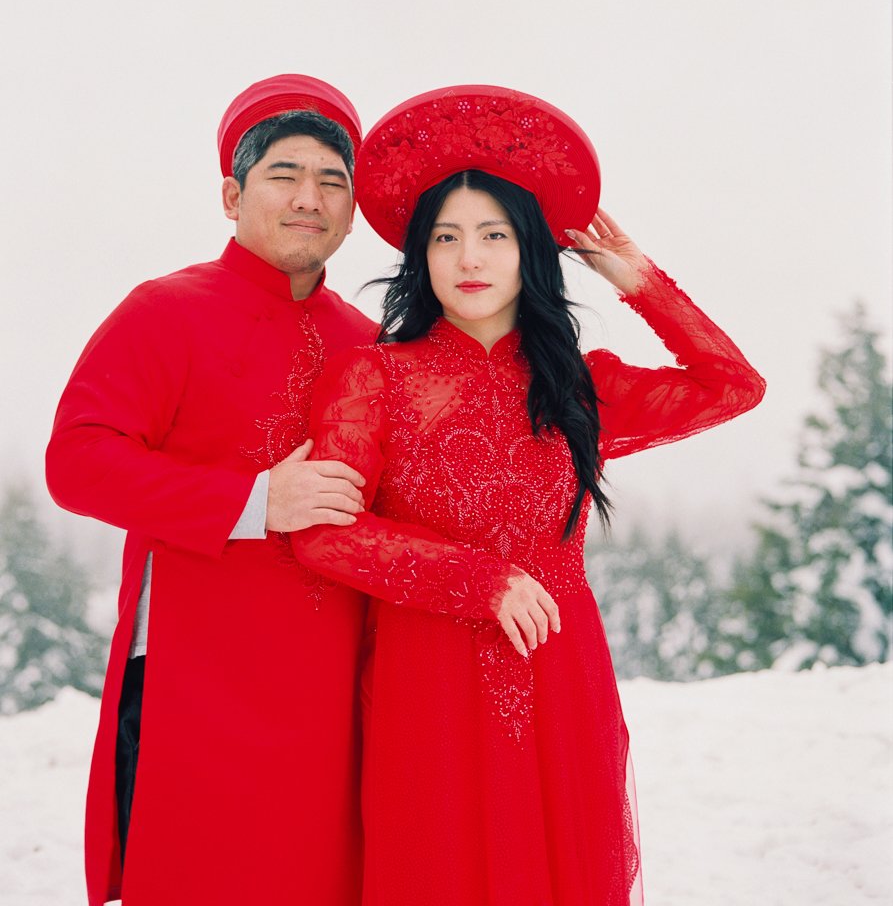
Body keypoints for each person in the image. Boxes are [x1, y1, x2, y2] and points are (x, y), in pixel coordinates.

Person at [285, 85, 767, 906]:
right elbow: (326, 535)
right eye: (445, 238)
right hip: (425, 683)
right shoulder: (372, 377)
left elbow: (733, 386)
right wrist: (481, 579)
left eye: (493, 236)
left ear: (529, 252)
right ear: (419, 256)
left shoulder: (575, 388)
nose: (469, 259)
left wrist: (637, 278)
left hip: (560, 677)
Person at [45, 75, 379, 906]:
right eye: (284, 175)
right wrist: (255, 501)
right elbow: (78, 461)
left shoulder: (371, 344)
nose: (310, 199)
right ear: (232, 195)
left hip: (338, 690)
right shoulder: (165, 311)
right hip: (198, 691)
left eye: (333, 181)